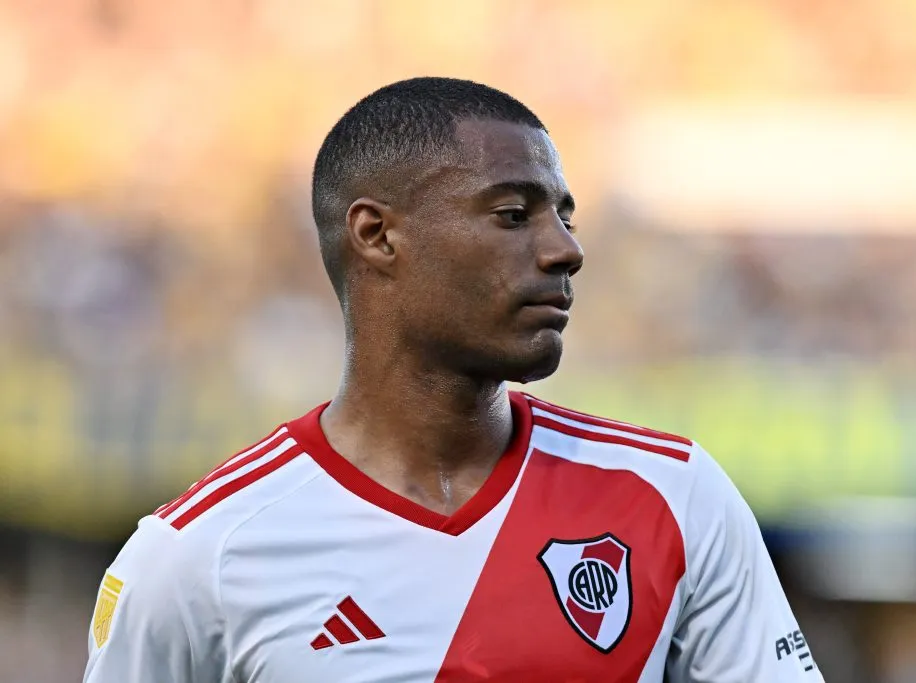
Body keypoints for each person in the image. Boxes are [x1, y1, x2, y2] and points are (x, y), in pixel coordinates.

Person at [83, 77, 824, 682]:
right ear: (377, 235)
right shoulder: (198, 555)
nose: (566, 250)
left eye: (565, 216)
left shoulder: (675, 496)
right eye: (513, 214)